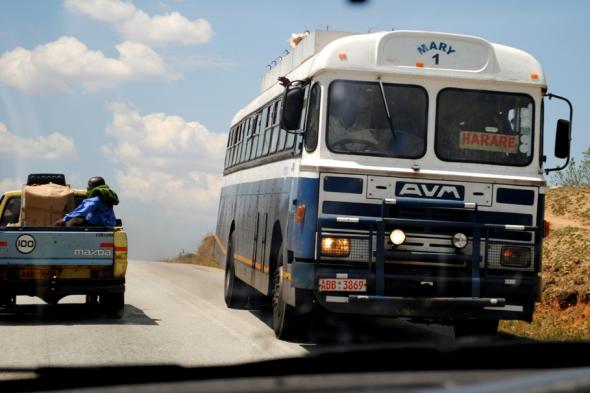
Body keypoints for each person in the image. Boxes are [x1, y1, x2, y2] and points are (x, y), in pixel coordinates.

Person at [54, 176, 119, 227]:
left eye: (89, 185)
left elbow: (82, 210)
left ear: (94, 186)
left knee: (74, 220)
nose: (87, 187)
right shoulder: (105, 197)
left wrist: (64, 219)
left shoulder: (96, 199)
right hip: (109, 225)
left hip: (98, 225)